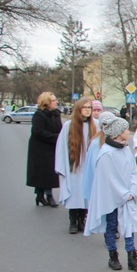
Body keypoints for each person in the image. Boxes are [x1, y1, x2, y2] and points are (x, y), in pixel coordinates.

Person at [84, 113, 137, 271]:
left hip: (128, 195)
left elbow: (132, 170)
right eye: (125, 129)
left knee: (129, 225)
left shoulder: (124, 149)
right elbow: (109, 179)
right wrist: (124, 194)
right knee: (112, 225)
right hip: (112, 197)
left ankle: (132, 255)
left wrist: (132, 190)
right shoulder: (106, 153)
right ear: (118, 132)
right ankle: (113, 256)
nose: (128, 132)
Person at [55, 97, 97, 233]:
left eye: (89, 108)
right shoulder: (69, 125)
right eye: (84, 108)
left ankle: (82, 219)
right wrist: (62, 166)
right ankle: (73, 220)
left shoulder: (95, 125)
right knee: (75, 193)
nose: (87, 110)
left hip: (88, 166)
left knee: (86, 193)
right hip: (74, 165)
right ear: (78, 109)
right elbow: (61, 147)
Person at [27, 92, 62, 208]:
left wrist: (60, 137)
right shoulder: (39, 115)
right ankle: (48, 195)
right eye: (53, 100)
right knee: (43, 172)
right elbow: (38, 131)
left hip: (52, 146)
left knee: (49, 172)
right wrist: (55, 137)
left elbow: (60, 129)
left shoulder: (56, 114)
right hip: (40, 148)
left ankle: (40, 195)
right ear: (46, 103)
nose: (55, 102)